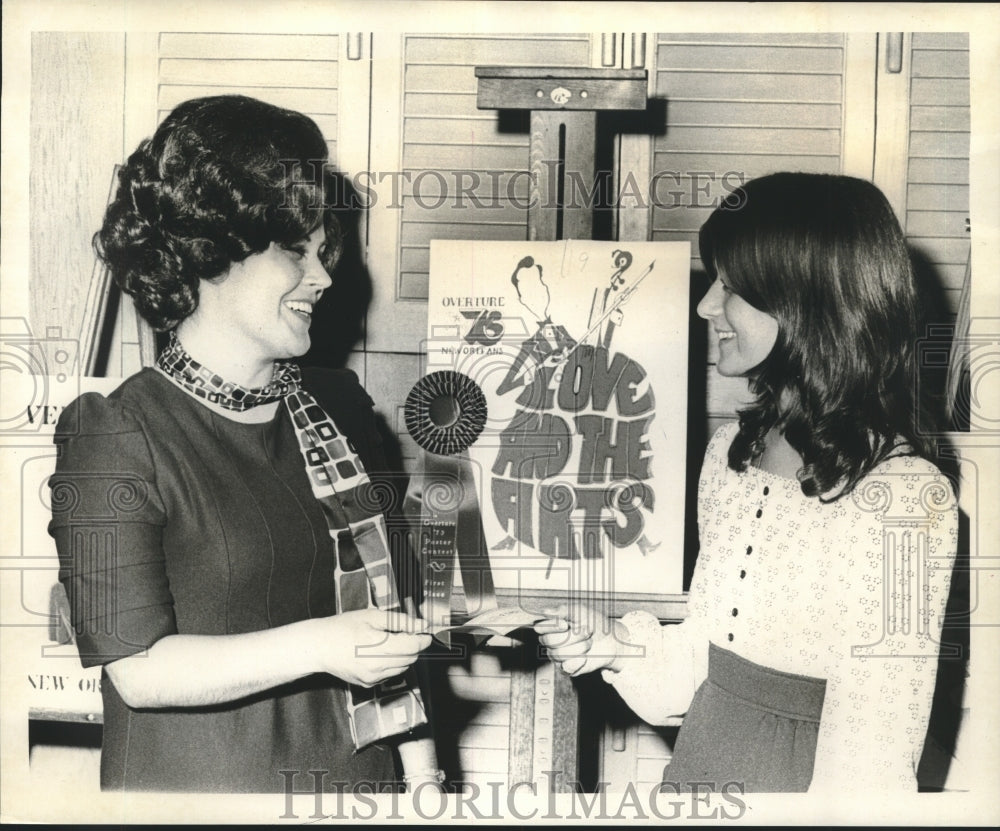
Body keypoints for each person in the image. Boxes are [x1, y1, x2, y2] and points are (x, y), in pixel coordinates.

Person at [48, 95, 443, 793]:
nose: (322, 277)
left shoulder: (339, 406)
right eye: (296, 250)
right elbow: (137, 669)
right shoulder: (113, 433)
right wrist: (323, 645)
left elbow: (392, 612)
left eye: (325, 253)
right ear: (212, 251)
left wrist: (425, 777)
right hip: (203, 796)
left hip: (361, 788)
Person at [535, 172, 958, 793]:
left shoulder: (903, 499)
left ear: (806, 302)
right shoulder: (731, 456)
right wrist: (609, 642)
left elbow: (875, 751)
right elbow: (703, 664)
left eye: (730, 287)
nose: (707, 306)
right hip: (700, 772)